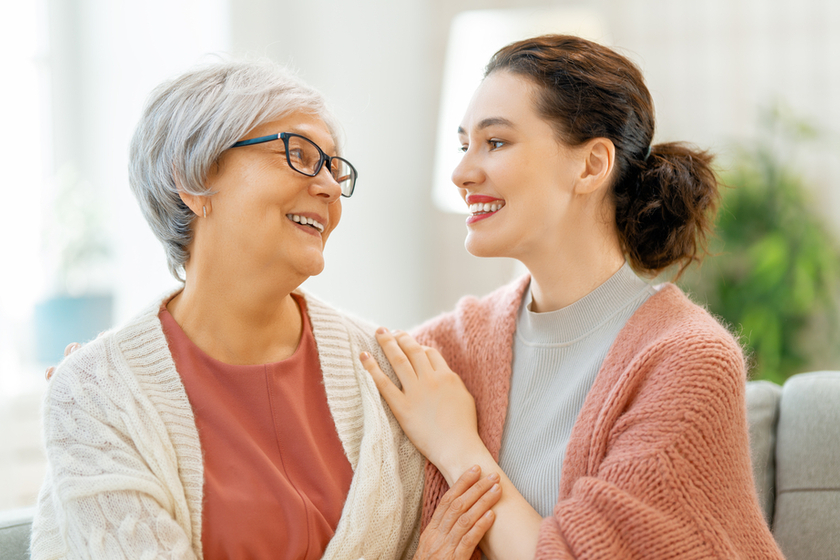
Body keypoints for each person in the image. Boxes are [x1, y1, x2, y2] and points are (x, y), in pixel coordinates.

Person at [32, 59, 501, 560]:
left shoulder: (389, 374)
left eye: (333, 166)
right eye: (298, 154)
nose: (328, 186)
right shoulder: (95, 393)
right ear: (191, 178)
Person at [361, 35, 785, 559]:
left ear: (590, 166)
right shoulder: (449, 350)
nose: (461, 173)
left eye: (495, 143)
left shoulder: (689, 360)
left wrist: (457, 446)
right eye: (463, 145)